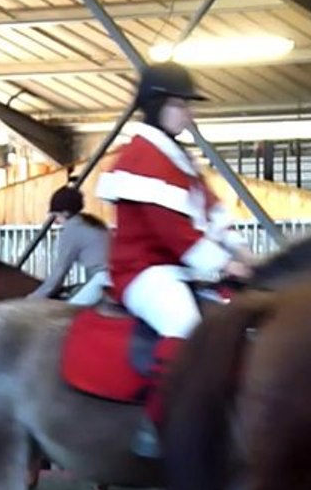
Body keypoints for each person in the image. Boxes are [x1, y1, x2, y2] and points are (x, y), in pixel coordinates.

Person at [95, 61, 256, 456]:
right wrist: (224, 265)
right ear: (157, 105)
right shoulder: (141, 159)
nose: (189, 112)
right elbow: (173, 232)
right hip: (145, 271)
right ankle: (156, 422)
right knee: (185, 326)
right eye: (182, 104)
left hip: (180, 267)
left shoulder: (176, 158)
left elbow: (212, 212)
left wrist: (242, 250)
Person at [29, 183, 111, 306]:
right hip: (112, 276)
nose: (56, 221)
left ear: (66, 213)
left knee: (67, 313)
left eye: (56, 215)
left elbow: (59, 272)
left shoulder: (72, 229)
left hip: (104, 279)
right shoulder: (91, 222)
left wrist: (31, 300)